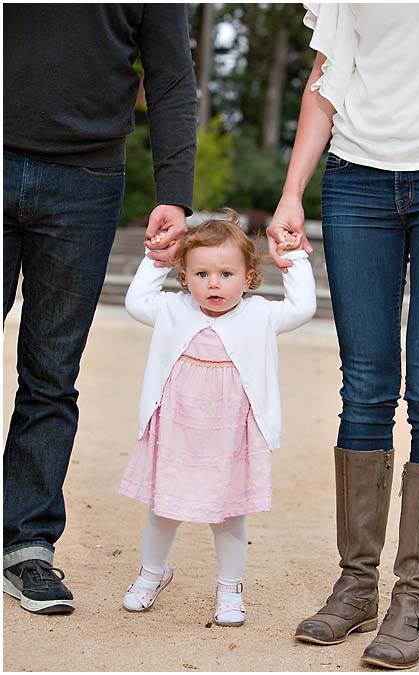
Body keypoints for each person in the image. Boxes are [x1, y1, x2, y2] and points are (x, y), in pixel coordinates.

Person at [265, 3, 419, 669]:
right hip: (356, 181)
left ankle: (414, 597)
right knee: (366, 387)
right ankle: (357, 584)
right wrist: (291, 194)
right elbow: (327, 74)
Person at [3, 5, 197, 615]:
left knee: (52, 373)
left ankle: (26, 545)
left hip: (87, 178)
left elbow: (169, 77)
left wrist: (175, 194)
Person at [118, 211, 316, 626]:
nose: (213, 283)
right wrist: (156, 259)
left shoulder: (259, 315)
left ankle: (230, 587)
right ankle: (153, 572)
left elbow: (302, 308)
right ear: (185, 277)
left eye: (226, 273)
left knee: (228, 514)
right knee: (164, 507)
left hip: (230, 437)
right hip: (178, 430)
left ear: (247, 278)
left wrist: (294, 258)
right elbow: (136, 302)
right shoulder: (173, 310)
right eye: (202, 273)